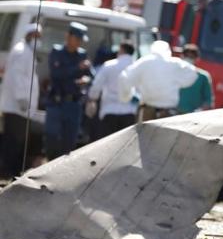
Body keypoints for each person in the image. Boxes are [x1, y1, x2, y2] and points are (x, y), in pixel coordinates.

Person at [45, 22, 94, 160]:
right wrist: (78, 68)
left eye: (81, 40)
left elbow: (92, 76)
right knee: (52, 138)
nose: (79, 42)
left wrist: (86, 79)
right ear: (68, 36)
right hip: (57, 102)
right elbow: (56, 74)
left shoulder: (82, 54)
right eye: (77, 39)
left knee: (69, 142)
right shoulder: (57, 52)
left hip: (74, 104)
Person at [118, 40, 197, 122]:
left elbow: (125, 77)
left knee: (144, 134)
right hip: (168, 111)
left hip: (147, 109)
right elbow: (192, 72)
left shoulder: (144, 62)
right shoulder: (174, 63)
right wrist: (180, 83)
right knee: (166, 134)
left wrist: (125, 97)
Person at [0, 24, 42, 176]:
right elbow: (16, 77)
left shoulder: (27, 52)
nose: (38, 40)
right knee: (13, 143)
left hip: (21, 108)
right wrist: (22, 99)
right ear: (29, 35)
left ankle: (10, 172)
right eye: (36, 36)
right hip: (17, 107)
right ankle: (7, 173)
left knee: (17, 143)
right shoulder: (22, 52)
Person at [85, 41, 137, 138]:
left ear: (121, 50)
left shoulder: (109, 65)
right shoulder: (137, 67)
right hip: (130, 112)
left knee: (108, 145)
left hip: (109, 111)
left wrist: (92, 99)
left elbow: (96, 85)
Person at [177, 44, 214, 113]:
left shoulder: (203, 77)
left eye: (192, 57)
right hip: (172, 115)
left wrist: (198, 112)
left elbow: (208, 101)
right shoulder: (174, 73)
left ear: (197, 58)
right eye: (187, 56)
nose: (189, 58)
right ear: (182, 57)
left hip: (192, 118)